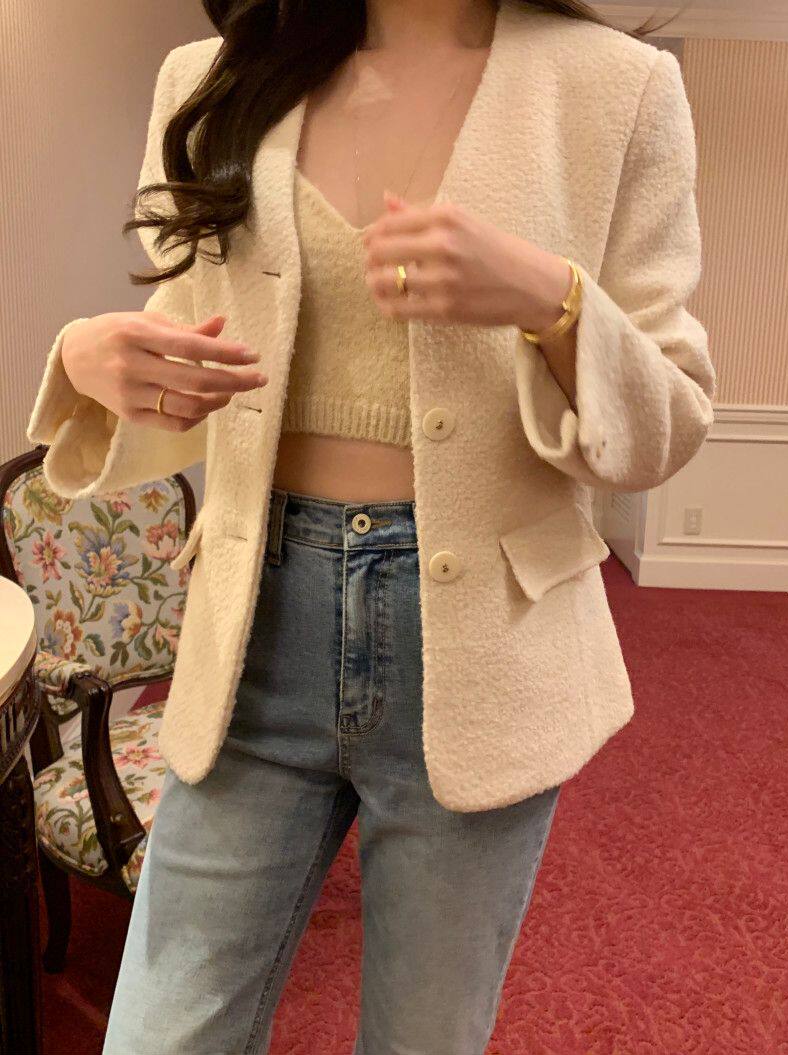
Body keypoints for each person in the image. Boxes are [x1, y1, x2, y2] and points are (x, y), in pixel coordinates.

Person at [26, 1, 715, 1051]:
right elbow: (186, 331)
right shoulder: (209, 79)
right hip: (252, 634)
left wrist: (553, 301)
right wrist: (89, 357)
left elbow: (668, 419)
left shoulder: (615, 87)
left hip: (483, 645)